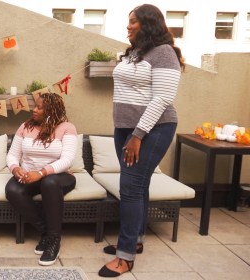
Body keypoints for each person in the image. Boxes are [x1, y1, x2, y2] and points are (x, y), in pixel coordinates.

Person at [98, 4, 184, 277]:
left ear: (148, 23)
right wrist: (127, 131)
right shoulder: (136, 53)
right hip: (125, 129)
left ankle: (125, 258)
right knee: (139, 185)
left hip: (153, 129)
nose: (128, 26)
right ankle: (135, 240)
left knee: (131, 188)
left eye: (133, 21)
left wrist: (137, 135)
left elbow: (162, 99)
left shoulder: (164, 53)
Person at [5, 92, 77, 266]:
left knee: (49, 182)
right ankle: (47, 232)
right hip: (29, 176)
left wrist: (42, 172)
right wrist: (16, 169)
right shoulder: (25, 127)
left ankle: (53, 241)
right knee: (12, 190)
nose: (34, 110)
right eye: (35, 106)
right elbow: (12, 155)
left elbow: (67, 160)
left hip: (58, 177)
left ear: (52, 110)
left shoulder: (67, 128)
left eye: (39, 107)